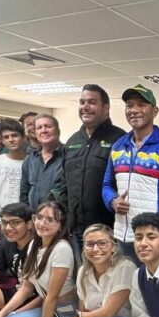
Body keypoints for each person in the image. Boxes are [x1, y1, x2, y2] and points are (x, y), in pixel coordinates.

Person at [102, 85, 159, 256]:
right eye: (129, 105)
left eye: (141, 105)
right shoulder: (118, 146)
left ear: (154, 111)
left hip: (153, 241)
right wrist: (112, 201)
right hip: (123, 238)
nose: (134, 110)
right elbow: (106, 185)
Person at [62, 84, 125, 255]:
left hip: (108, 229)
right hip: (76, 231)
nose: (85, 107)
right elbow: (64, 184)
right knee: (81, 272)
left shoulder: (120, 139)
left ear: (106, 108)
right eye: (82, 102)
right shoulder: (73, 141)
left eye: (92, 102)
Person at [0, 119, 27, 234]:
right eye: (6, 137)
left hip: (25, 218)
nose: (11, 139)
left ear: (23, 137)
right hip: (3, 220)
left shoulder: (31, 161)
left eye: (14, 135)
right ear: (2, 140)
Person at [19, 113, 66, 210]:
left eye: (48, 126)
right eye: (39, 128)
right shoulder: (30, 159)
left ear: (58, 130)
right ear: (36, 133)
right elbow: (24, 193)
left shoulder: (69, 156)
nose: (44, 130)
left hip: (60, 216)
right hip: (34, 216)